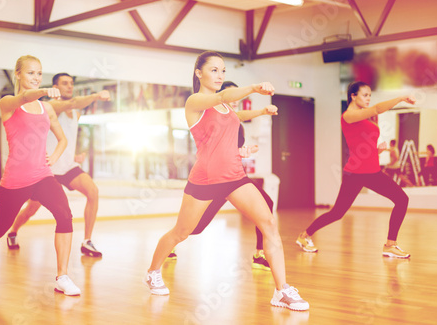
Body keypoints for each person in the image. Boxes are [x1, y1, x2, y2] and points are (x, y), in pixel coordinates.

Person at [145, 51, 309, 311]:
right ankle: (153, 271)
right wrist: (254, 87)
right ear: (199, 73)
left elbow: (234, 116)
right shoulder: (196, 101)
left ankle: (281, 291)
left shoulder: (225, 107)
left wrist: (262, 111)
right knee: (183, 232)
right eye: (214, 70)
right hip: (206, 179)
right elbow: (222, 97)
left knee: (268, 222)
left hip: (234, 176)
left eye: (223, 71)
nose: (220, 76)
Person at [0, 55, 80, 295]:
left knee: (65, 215)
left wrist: (54, 156)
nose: (36, 77)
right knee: (0, 226)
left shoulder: (46, 107)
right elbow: (24, 97)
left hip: (43, 176)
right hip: (15, 180)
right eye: (31, 73)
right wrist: (43, 90)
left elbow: (62, 139)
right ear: (18, 74)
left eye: (39, 73)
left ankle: (62, 276)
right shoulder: (9, 103)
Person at [296, 81, 415, 259]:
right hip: (355, 174)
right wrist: (400, 98)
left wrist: (377, 150)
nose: (368, 99)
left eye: (369, 95)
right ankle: (304, 236)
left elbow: (361, 144)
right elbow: (376, 110)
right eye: (364, 95)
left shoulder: (362, 118)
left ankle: (390, 245)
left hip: (372, 172)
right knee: (337, 213)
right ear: (353, 95)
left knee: (401, 199)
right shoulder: (348, 116)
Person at [167, 81, 274, 271]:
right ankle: (172, 241)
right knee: (197, 227)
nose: (235, 100)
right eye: (232, 96)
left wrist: (262, 112)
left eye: (237, 96)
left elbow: (241, 116)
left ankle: (259, 253)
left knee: (267, 204)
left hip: (235, 179)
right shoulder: (215, 116)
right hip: (216, 179)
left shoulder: (232, 117)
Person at [6, 73, 110, 257]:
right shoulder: (52, 106)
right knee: (32, 208)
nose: (69, 86)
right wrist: (95, 96)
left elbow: (68, 136)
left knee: (93, 192)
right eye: (65, 83)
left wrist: (75, 154)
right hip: (48, 169)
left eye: (71, 83)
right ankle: (13, 231)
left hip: (68, 166)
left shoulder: (76, 114)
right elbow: (71, 103)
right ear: (55, 86)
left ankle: (87, 241)